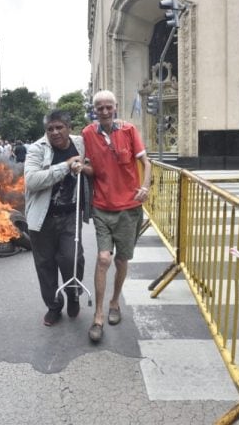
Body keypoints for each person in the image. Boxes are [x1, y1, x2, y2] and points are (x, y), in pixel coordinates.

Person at [81, 90, 151, 343]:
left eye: (108, 107)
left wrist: (146, 187)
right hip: (102, 207)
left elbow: (147, 163)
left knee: (121, 260)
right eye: (99, 107)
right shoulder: (88, 134)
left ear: (116, 107)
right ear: (94, 110)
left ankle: (114, 303)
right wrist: (81, 167)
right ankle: (98, 315)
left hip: (129, 209)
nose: (104, 111)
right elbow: (93, 168)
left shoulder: (129, 130)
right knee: (103, 259)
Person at [24, 110, 93, 326]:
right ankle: (54, 306)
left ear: (68, 127)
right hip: (42, 218)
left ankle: (73, 296)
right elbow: (32, 181)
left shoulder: (80, 143)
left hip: (70, 214)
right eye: (50, 129)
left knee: (73, 259)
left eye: (59, 127)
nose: (54, 132)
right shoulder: (37, 149)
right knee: (45, 265)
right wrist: (65, 166)